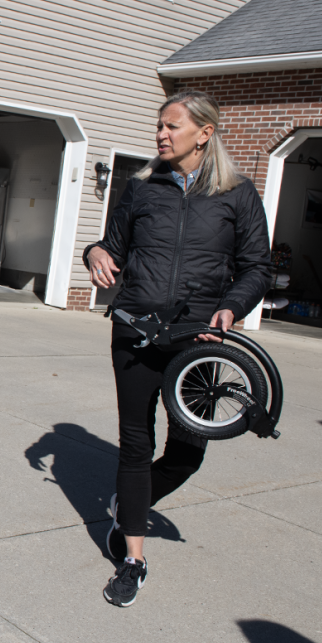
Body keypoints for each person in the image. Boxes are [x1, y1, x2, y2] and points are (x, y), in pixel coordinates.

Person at [83, 90, 270, 608]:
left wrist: (231, 306)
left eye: (172, 127)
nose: (161, 134)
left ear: (204, 134)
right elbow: (108, 247)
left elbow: (259, 267)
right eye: (158, 126)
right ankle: (133, 558)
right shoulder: (142, 188)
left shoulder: (237, 195)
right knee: (136, 445)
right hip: (136, 331)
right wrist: (93, 251)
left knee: (187, 454)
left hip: (198, 341)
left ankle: (130, 506)